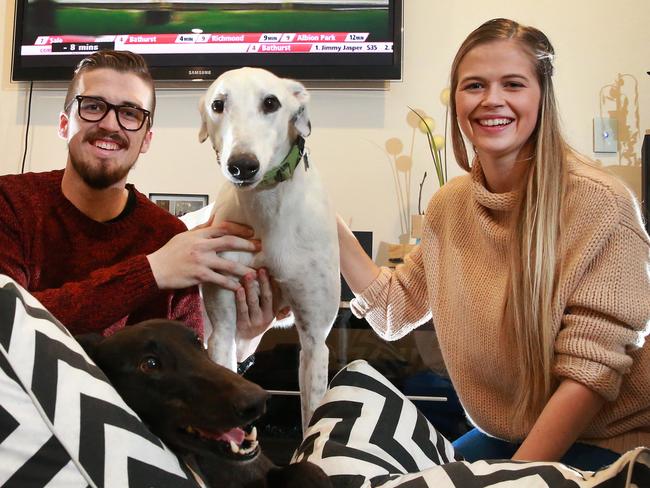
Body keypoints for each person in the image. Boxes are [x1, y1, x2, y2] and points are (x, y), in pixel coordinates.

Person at [335, 18, 650, 470]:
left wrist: (512, 479)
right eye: (475, 85)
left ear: (542, 96)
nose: (492, 100)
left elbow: (590, 375)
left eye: (513, 84)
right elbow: (392, 310)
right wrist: (322, 221)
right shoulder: (450, 206)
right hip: (501, 438)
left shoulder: (601, 205)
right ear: (457, 100)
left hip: (610, 445)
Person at [0, 50, 263, 339]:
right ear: (64, 124)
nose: (110, 125)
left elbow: (182, 368)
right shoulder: (10, 202)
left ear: (146, 139)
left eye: (130, 113)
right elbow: (8, 322)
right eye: (93, 106)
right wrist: (151, 273)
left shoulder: (167, 237)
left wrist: (240, 344)